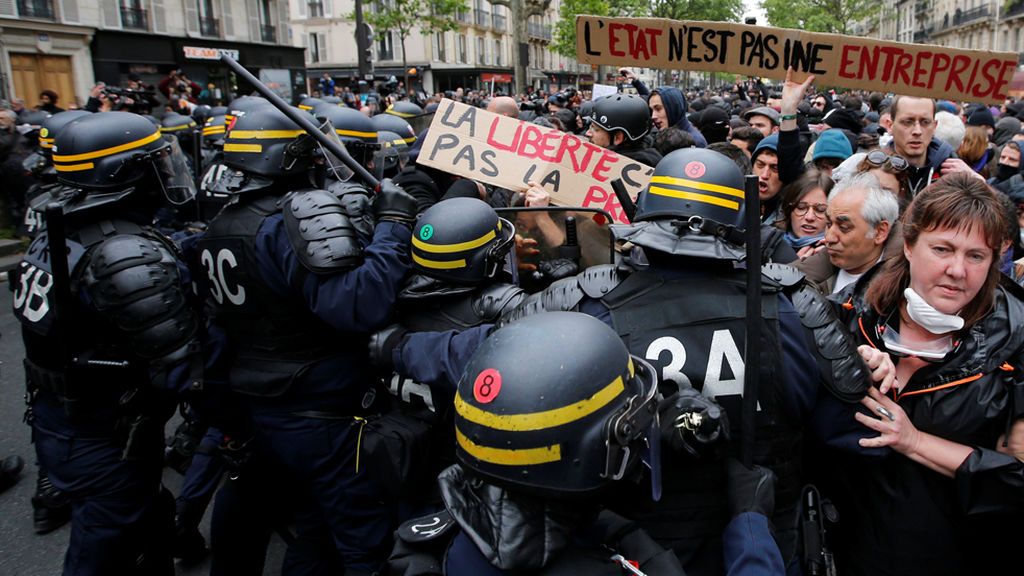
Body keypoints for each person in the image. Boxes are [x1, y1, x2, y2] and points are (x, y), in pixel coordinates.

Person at [386, 148, 892, 575]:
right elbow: (860, 437)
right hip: (761, 541)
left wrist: (393, 348)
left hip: (626, 547)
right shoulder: (796, 307)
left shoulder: (582, 300)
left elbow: (485, 355)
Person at [197, 104, 417, 574]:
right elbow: (356, 304)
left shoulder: (223, 222)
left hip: (263, 403)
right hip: (323, 408)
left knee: (313, 531)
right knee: (362, 541)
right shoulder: (294, 214)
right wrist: (393, 228)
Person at [15, 111, 202, 575]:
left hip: (64, 420)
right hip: (105, 435)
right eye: (156, 161)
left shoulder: (60, 233)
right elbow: (183, 368)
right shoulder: (121, 252)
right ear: (126, 173)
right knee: (104, 552)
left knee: (147, 523)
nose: (166, 169)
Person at [821, 172, 1024, 576]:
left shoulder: (1016, 342)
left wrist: (914, 442)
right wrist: (844, 366)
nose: (957, 270)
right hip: (840, 549)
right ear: (909, 244)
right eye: (943, 249)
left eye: (976, 256)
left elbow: (1015, 480)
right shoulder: (845, 313)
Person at [586, 93, 662, 166]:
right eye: (590, 127)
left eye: (595, 129)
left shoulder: (622, 170)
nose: (588, 133)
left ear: (618, 137)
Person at [776, 169, 832, 257]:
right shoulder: (769, 245)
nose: (809, 217)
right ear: (789, 210)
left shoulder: (838, 255)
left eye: (820, 210)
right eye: (801, 207)